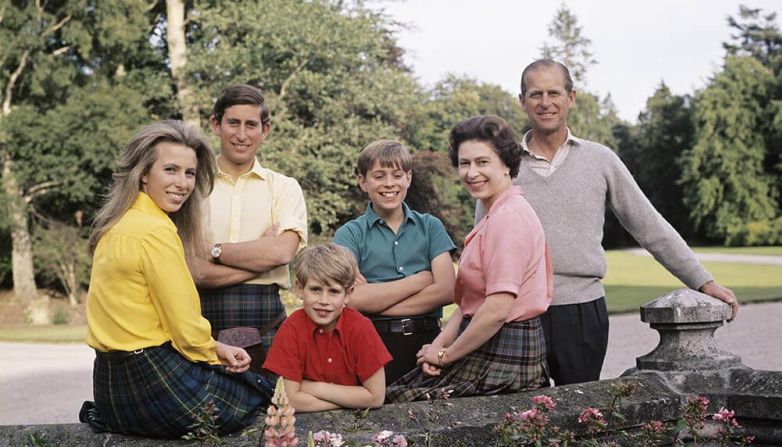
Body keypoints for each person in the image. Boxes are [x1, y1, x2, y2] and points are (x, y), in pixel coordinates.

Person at [476, 59, 740, 385]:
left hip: (582, 310)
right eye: (535, 94)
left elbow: (649, 225)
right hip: (516, 314)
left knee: (582, 415)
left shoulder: (600, 160)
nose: (545, 103)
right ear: (522, 101)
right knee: (520, 422)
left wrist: (704, 281)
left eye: (554, 93)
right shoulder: (503, 166)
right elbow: (482, 247)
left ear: (571, 97)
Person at [80, 121, 273, 438]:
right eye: (170, 170)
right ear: (144, 173)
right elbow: (185, 329)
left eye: (190, 173)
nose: (183, 183)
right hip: (152, 382)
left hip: (110, 388)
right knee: (261, 393)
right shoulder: (156, 231)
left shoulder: (116, 224)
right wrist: (215, 350)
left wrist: (214, 349)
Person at [387, 115, 552, 402]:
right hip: (485, 341)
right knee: (394, 399)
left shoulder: (509, 218)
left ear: (506, 164)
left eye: (482, 162)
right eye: (465, 163)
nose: (471, 172)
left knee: (399, 405)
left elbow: (497, 310)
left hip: (506, 350)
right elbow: (469, 306)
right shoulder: (495, 214)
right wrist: (436, 349)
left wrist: (445, 355)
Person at [189, 84, 308, 355]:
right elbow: (192, 270)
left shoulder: (285, 187)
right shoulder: (191, 185)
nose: (241, 135)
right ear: (216, 125)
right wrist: (259, 262)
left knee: (266, 399)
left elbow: (281, 252)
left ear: (264, 130)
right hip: (199, 324)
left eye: (251, 125)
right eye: (233, 123)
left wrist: (212, 250)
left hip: (266, 324)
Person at [332, 140, 456, 385]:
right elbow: (351, 298)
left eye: (397, 175)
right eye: (379, 176)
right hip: (371, 342)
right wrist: (420, 280)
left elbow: (447, 290)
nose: (389, 183)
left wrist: (375, 304)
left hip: (428, 343)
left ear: (408, 178)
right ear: (362, 181)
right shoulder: (348, 235)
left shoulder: (430, 226)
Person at [262, 243, 392, 412]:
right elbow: (290, 399)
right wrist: (349, 402)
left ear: (349, 293)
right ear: (300, 289)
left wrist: (314, 388)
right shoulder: (291, 329)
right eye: (316, 289)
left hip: (357, 424)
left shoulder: (361, 328)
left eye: (334, 291)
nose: (324, 300)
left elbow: (375, 397)